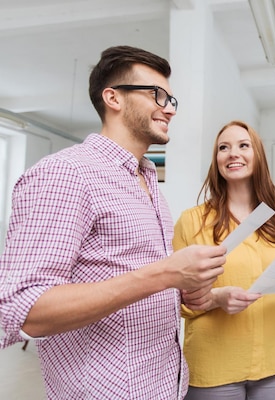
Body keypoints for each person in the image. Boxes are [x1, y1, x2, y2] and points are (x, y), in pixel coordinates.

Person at [0, 45, 226, 399]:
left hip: (166, 385)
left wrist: (183, 287)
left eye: (171, 99)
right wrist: (166, 273)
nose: (169, 108)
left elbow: (132, 279)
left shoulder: (149, 181)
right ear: (113, 98)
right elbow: (22, 310)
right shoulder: (64, 174)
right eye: (157, 95)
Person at [172, 120, 275, 400]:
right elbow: (172, 297)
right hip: (214, 367)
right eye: (223, 148)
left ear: (257, 155)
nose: (233, 153)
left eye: (243, 145)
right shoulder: (192, 221)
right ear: (217, 161)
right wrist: (215, 299)